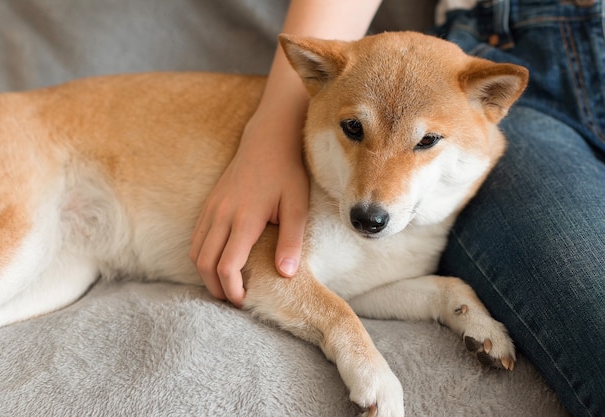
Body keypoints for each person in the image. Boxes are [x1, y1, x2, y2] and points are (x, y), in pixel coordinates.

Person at [189, 1, 605, 416]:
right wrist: (352, 347)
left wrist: (444, 297)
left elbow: (355, 283)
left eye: (424, 142)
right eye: (355, 129)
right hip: (517, 38)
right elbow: (274, 272)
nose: (373, 196)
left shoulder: (461, 116)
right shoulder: (326, 135)